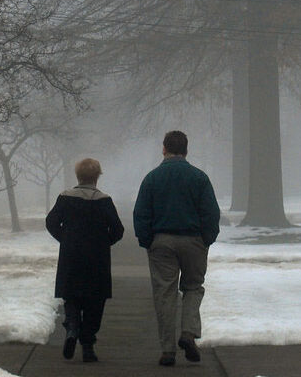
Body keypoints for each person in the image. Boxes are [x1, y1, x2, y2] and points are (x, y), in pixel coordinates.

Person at [133, 130, 220, 367]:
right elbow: (211, 213)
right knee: (193, 287)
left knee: (165, 294)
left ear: (164, 149)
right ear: (186, 150)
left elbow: (141, 213)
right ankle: (188, 333)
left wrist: (147, 240)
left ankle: (167, 350)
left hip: (161, 241)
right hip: (193, 240)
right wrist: (206, 239)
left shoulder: (152, 178)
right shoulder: (199, 178)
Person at [45, 157, 125, 363]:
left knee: (71, 296)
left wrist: (65, 238)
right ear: (97, 177)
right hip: (97, 259)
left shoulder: (65, 198)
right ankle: (88, 346)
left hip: (71, 256)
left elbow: (51, 221)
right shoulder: (104, 201)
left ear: (77, 176)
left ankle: (72, 327)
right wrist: (103, 242)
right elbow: (118, 229)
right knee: (94, 302)